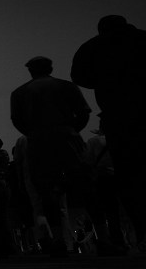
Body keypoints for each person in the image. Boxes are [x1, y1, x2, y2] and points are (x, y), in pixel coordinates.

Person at [11, 56, 117, 256]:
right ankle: (103, 238)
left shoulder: (20, 93)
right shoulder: (66, 87)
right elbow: (83, 113)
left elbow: (18, 121)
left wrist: (35, 134)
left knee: (47, 193)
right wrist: (71, 130)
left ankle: (58, 240)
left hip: (39, 143)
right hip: (67, 139)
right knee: (87, 189)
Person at [71, 15, 146, 250]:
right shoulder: (142, 39)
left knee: (129, 176)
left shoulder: (92, 47)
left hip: (118, 116)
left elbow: (80, 77)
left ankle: (141, 230)